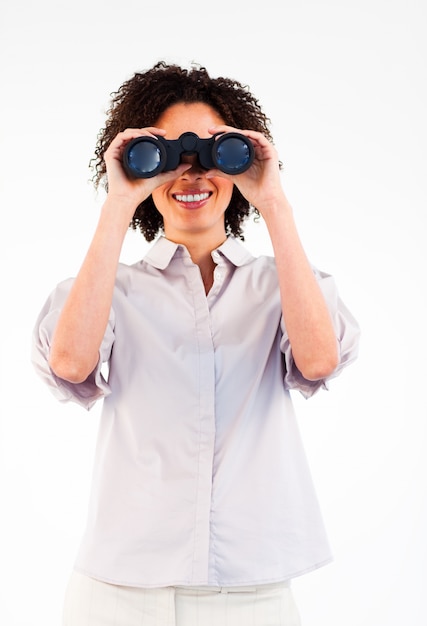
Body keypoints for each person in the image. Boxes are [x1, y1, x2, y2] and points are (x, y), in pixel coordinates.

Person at [32, 61, 360, 626]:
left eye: (213, 152)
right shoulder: (110, 290)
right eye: (170, 154)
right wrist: (119, 203)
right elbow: (68, 363)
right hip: (118, 592)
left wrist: (273, 202)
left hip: (252, 592)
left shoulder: (281, 285)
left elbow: (319, 359)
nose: (192, 173)